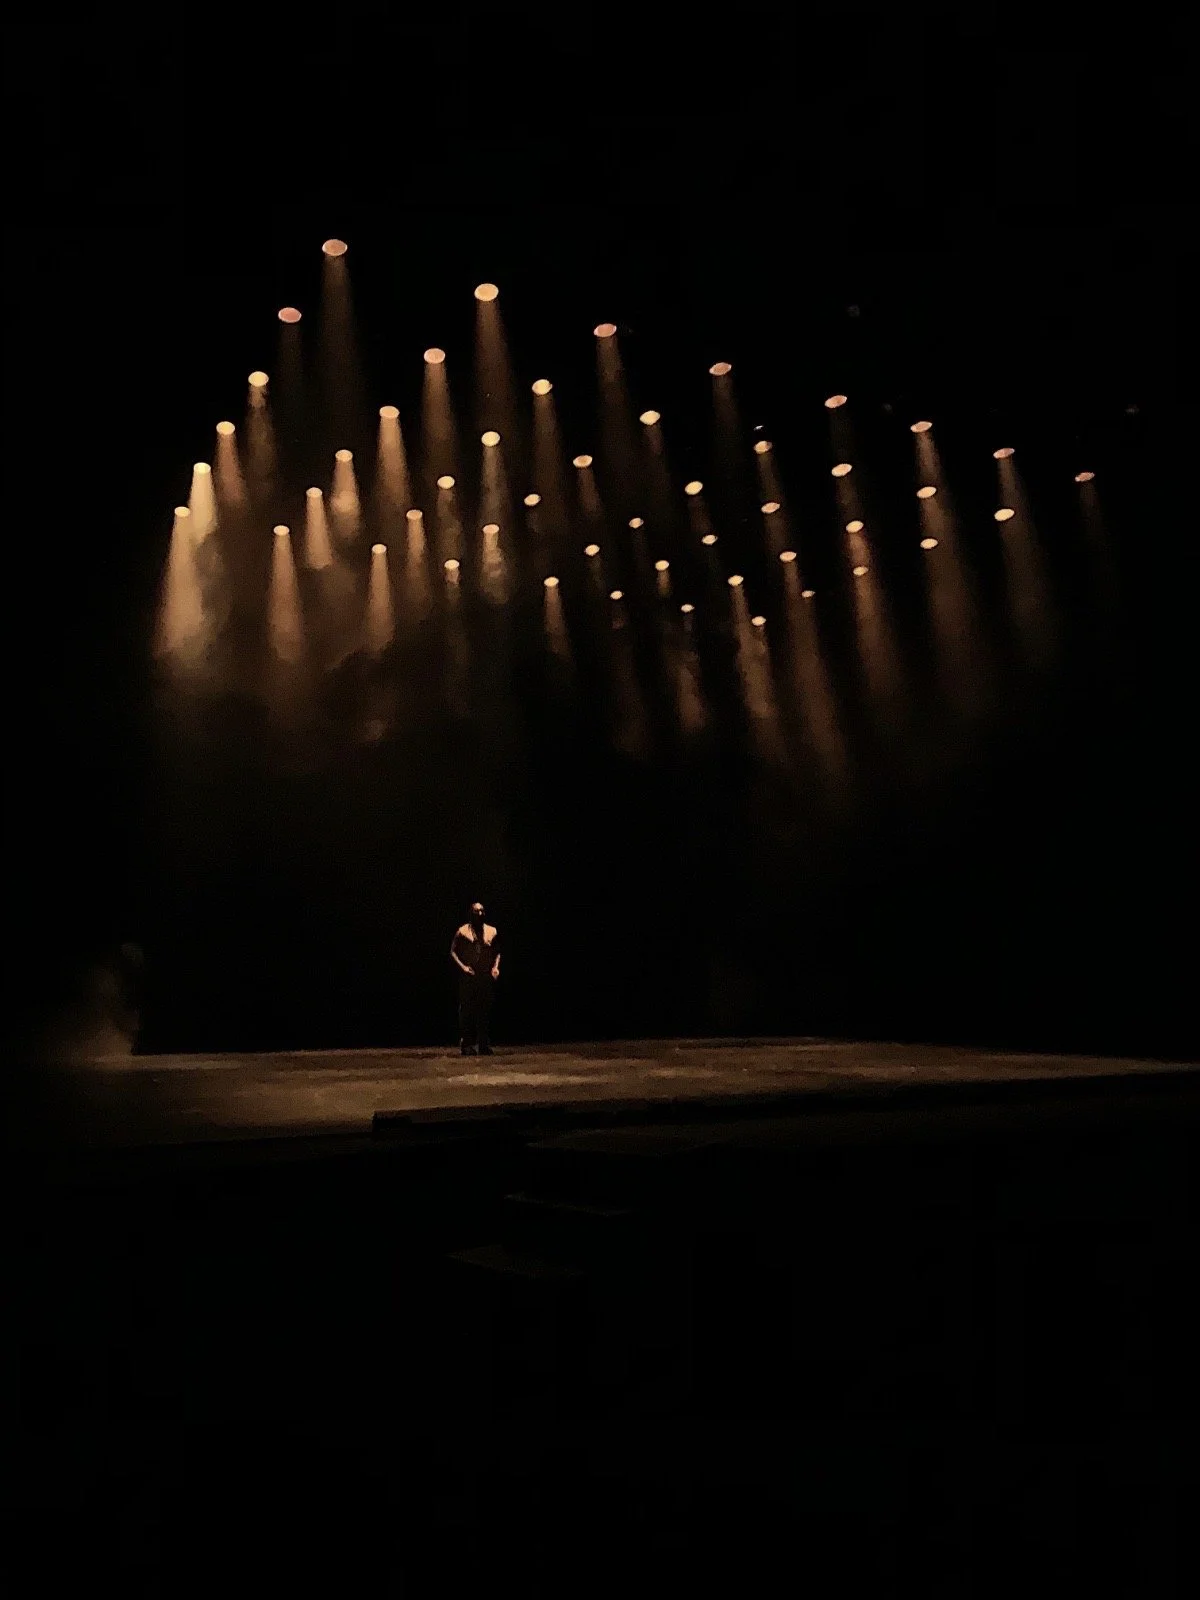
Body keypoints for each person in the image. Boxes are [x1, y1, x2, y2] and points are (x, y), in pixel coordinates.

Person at [450, 902, 500, 1055]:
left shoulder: (491, 931)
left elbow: (497, 952)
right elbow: (453, 951)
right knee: (467, 1010)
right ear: (471, 914)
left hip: (484, 976)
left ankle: (483, 1043)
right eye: (476, 911)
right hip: (469, 976)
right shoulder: (463, 931)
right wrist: (463, 967)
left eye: (482, 911)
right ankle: (466, 1043)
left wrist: (495, 967)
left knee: (484, 1009)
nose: (480, 914)